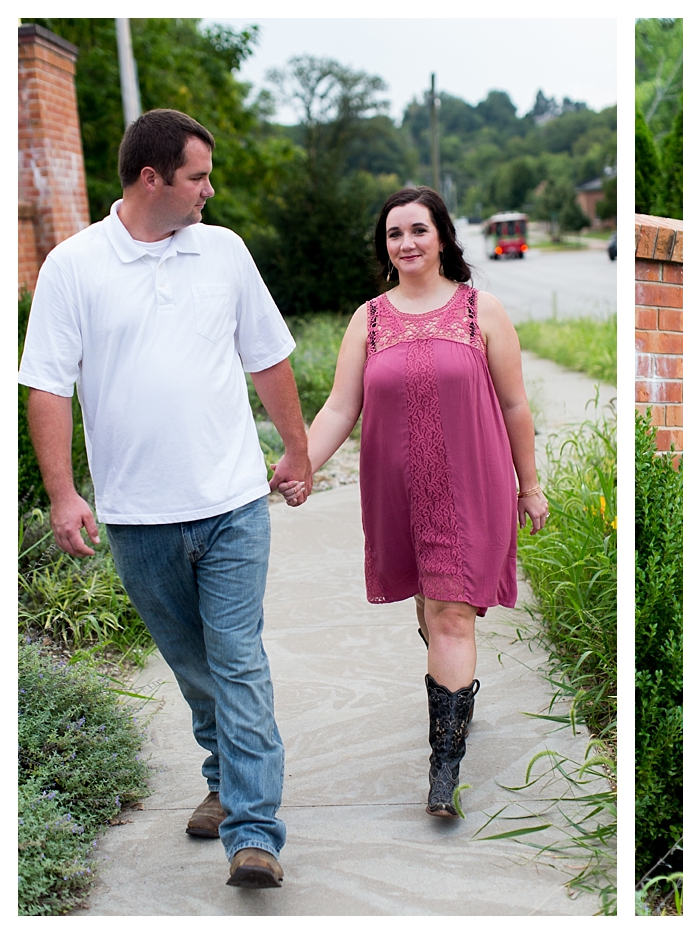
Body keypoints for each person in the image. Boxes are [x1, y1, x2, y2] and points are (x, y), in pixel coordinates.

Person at [20, 108, 311, 889]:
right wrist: (62, 492)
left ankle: (254, 832)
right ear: (152, 178)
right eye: (198, 177)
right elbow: (46, 382)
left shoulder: (223, 253)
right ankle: (225, 776)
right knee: (193, 665)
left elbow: (269, 356)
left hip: (230, 502)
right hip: (137, 516)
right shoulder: (74, 266)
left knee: (238, 659)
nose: (209, 191)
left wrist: (296, 446)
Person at [279, 186, 548, 818]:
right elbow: (342, 407)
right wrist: (301, 465)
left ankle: (443, 770)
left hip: (471, 483)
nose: (407, 243)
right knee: (433, 613)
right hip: (397, 488)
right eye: (395, 234)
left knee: (454, 615)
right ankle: (458, 698)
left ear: (444, 238)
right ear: (386, 247)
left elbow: (515, 405)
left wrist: (528, 485)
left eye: (419, 230)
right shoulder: (368, 319)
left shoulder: (483, 311)